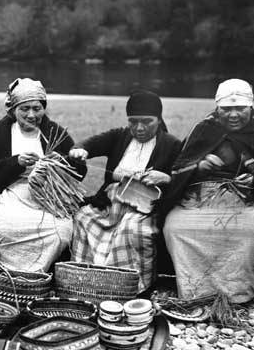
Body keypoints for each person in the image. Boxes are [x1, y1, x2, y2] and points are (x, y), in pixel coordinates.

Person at [159, 78, 254, 304]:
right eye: (226, 109)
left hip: (245, 201)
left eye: (240, 108)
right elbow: (178, 169)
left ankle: (238, 292)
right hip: (199, 198)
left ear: (250, 107)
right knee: (175, 227)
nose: (233, 115)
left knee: (250, 233)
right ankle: (195, 289)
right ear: (217, 107)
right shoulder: (204, 129)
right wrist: (199, 167)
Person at [68, 90, 183, 293]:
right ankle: (86, 278)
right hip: (110, 202)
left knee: (130, 230)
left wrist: (165, 178)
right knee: (83, 217)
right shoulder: (119, 136)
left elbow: (183, 177)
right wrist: (81, 150)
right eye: (133, 121)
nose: (139, 128)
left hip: (144, 208)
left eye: (147, 121)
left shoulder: (171, 144)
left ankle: (132, 286)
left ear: (158, 119)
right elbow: (88, 144)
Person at [0, 77, 86, 272]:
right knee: (7, 229)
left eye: (37, 108)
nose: (31, 115)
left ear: (44, 108)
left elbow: (79, 174)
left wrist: (71, 160)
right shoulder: (2, 132)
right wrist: (15, 163)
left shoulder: (53, 132)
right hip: (12, 193)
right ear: (14, 110)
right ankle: (9, 273)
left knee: (61, 232)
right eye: (24, 109)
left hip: (49, 197)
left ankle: (40, 273)